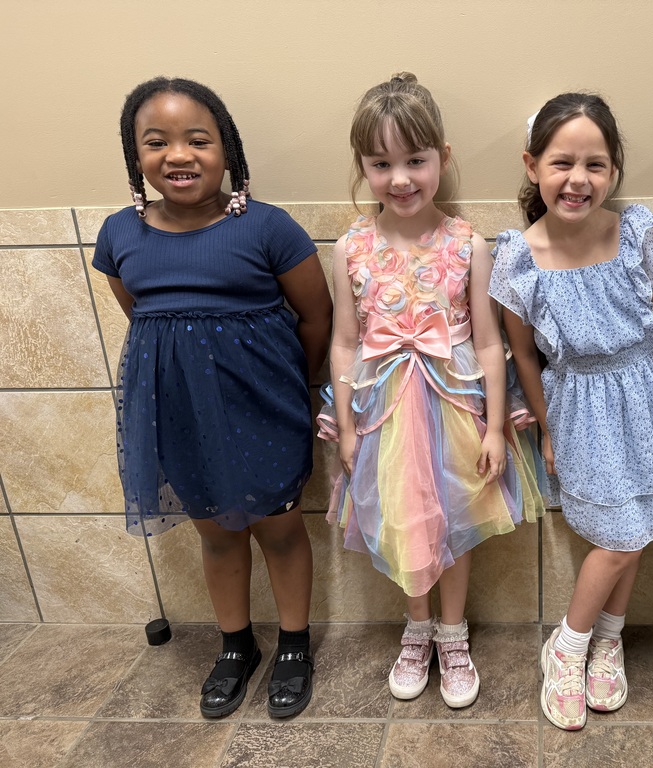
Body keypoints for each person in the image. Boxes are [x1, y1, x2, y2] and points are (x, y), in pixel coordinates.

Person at [92, 77, 332, 719]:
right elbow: (144, 319)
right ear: (134, 156)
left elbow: (316, 317)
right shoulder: (120, 234)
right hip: (179, 415)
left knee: (278, 529)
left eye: (197, 140)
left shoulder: (268, 228)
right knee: (217, 532)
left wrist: (295, 388)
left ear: (226, 150)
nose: (178, 154)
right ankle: (234, 644)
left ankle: (293, 642)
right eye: (156, 142)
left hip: (266, 407)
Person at [318, 73, 543, 710]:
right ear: (362, 167)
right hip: (383, 413)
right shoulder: (351, 249)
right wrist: (349, 424)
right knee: (403, 519)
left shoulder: (468, 245)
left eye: (415, 160)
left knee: (456, 517)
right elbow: (343, 342)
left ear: (442, 159)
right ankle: (416, 629)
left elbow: (493, 343)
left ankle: (453, 632)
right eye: (381, 164)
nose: (401, 178)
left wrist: (497, 426)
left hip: (455, 409)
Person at [489, 93, 653, 730]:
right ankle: (568, 645)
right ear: (532, 165)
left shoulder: (633, 234)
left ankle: (609, 638)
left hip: (647, 394)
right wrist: (547, 427)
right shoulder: (520, 257)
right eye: (562, 163)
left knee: (640, 532)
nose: (579, 179)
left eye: (596, 165)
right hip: (579, 405)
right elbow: (524, 355)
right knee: (616, 537)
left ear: (614, 170)